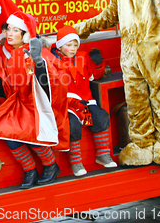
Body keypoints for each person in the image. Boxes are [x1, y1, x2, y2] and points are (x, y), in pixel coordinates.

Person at [0, 12, 68, 187]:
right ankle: (30, 169)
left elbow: (49, 83)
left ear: (25, 34)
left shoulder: (35, 52)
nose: (9, 33)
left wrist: (38, 60)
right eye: (8, 29)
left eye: (15, 30)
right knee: (7, 132)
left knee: (31, 132)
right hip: (15, 103)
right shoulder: (0, 53)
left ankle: (50, 165)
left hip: (36, 104)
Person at [50, 25, 117, 176]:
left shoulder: (83, 57)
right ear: (60, 45)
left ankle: (103, 154)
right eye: (68, 45)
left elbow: (95, 75)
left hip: (86, 100)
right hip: (65, 104)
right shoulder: (52, 61)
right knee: (72, 125)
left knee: (100, 116)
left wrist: (99, 63)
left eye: (75, 45)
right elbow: (53, 90)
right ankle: (76, 162)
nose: (73, 49)